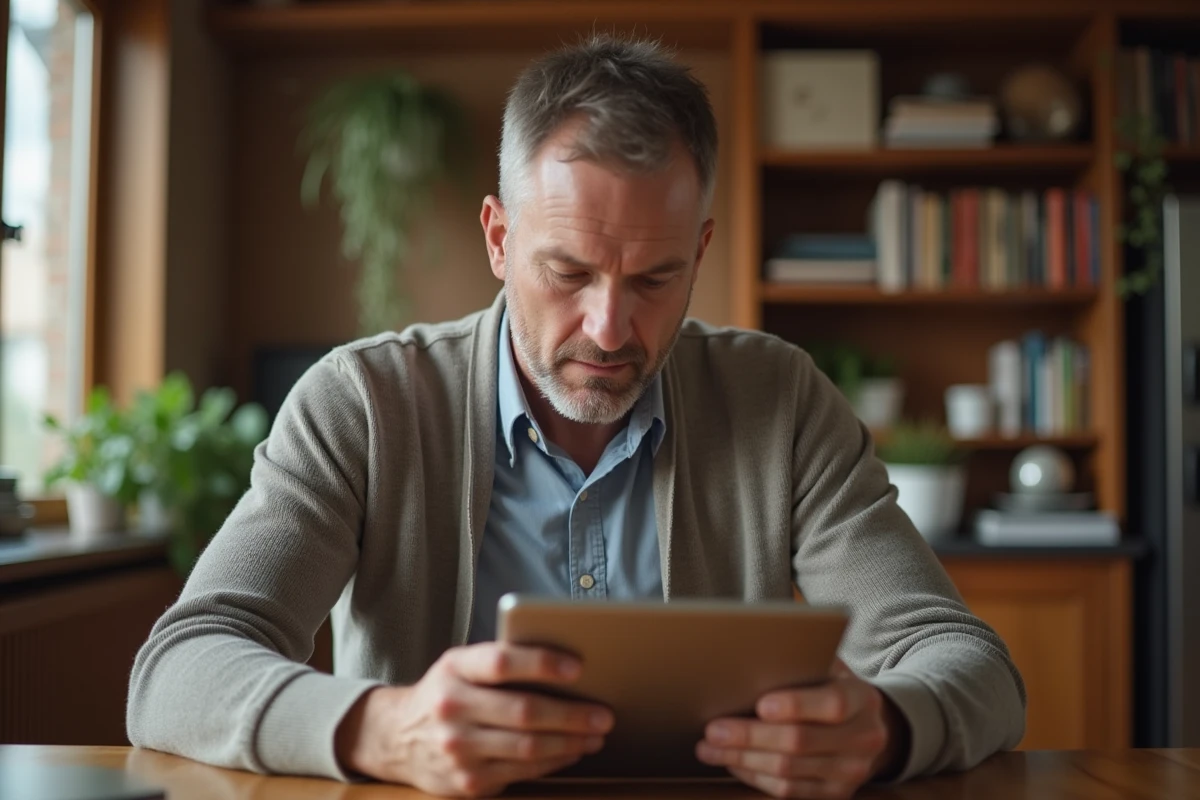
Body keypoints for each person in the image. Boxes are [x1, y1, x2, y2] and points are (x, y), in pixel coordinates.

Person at [127, 35, 1025, 800]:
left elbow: (963, 660)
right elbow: (180, 666)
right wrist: (383, 726)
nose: (608, 328)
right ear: (498, 239)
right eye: (567, 274)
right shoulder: (362, 402)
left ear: (700, 251)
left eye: (653, 280)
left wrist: (887, 729)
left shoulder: (780, 401)